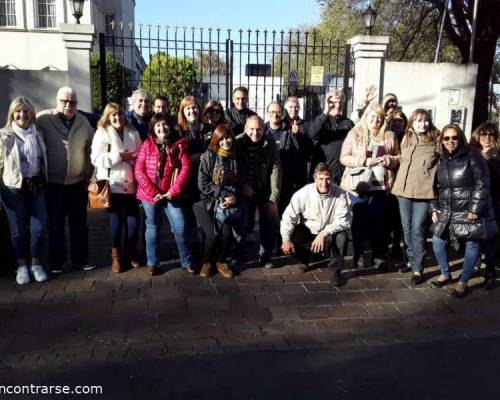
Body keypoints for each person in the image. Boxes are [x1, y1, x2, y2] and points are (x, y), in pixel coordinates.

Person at [430, 124, 495, 298]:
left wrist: (475, 208)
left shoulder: (472, 155)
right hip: (447, 208)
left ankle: (463, 281)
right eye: (447, 138)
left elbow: (483, 183)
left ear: (461, 138)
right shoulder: (441, 159)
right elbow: (436, 187)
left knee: (472, 243)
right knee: (437, 239)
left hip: (468, 208)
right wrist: (434, 207)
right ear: (442, 141)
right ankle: (445, 273)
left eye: (454, 137)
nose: (451, 141)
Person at [36, 87, 94, 274]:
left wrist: (90, 175)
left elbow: (92, 149)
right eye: (64, 101)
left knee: (79, 225)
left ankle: (80, 260)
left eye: (73, 102)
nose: (68, 105)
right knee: (55, 225)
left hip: (77, 184)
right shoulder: (43, 119)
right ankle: (57, 263)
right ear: (57, 101)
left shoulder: (84, 122)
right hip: (53, 184)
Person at [339, 103, 400, 270]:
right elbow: (344, 157)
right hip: (358, 186)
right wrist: (363, 161)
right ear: (366, 117)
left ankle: (378, 256)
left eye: (379, 117)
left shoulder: (389, 135)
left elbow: (399, 157)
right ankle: (358, 255)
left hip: (380, 187)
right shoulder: (355, 133)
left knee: (379, 224)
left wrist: (391, 160)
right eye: (372, 117)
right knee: (358, 222)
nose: (376, 120)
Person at [134, 113, 194, 276]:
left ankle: (187, 260)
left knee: (181, 227)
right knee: (153, 227)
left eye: (165, 124)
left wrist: (172, 191)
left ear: (170, 126)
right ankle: (152, 262)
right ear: (153, 128)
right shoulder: (147, 145)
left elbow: (186, 169)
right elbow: (139, 171)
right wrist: (154, 192)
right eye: (158, 125)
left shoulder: (180, 145)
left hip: (171, 195)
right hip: (150, 196)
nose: (162, 128)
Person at [0, 97, 48, 284]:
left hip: (36, 186)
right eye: (18, 111)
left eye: (26, 111)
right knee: (17, 230)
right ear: (12, 114)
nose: (22, 115)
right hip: (13, 189)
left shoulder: (38, 134)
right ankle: (21, 266)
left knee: (39, 228)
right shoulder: (4, 136)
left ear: (32, 114)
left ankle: (36, 263)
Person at [90, 102, 142, 273]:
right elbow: (96, 159)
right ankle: (116, 256)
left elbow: (140, 156)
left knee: (134, 224)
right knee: (116, 224)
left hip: (132, 185)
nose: (117, 117)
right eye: (113, 115)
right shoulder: (102, 133)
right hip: (112, 185)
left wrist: (132, 159)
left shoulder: (133, 132)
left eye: (119, 114)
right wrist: (119, 156)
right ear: (108, 117)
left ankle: (129, 253)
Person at [281, 163, 350, 286]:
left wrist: (324, 233)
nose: (324, 183)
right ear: (314, 178)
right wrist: (285, 239)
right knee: (291, 236)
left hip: (328, 232)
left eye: (328, 178)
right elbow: (288, 216)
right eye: (321, 179)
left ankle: (335, 271)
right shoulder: (303, 193)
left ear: (332, 178)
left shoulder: (340, 194)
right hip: (308, 229)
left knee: (342, 237)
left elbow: (344, 220)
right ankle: (304, 258)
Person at [391, 109, 439, 284]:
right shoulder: (406, 137)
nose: (422, 124)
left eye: (425, 121)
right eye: (418, 121)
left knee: (418, 229)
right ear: (411, 122)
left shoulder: (436, 140)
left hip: (423, 193)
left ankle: (418, 268)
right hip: (403, 191)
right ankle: (411, 261)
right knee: (406, 229)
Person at [194, 124, 243, 279]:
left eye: (228, 138)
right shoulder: (209, 155)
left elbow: (238, 182)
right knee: (213, 235)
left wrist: (233, 198)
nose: (226, 142)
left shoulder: (234, 156)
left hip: (227, 203)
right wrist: (223, 195)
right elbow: (202, 184)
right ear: (216, 140)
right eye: (222, 139)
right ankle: (207, 262)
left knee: (228, 235)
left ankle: (221, 261)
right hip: (207, 203)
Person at [234, 115, 281, 268]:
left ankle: (265, 256)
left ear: (264, 129)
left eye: (259, 129)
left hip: (263, 186)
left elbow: (276, 168)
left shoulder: (270, 143)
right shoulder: (237, 142)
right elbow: (232, 168)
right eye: (252, 129)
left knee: (269, 219)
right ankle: (239, 255)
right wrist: (243, 185)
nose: (255, 132)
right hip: (243, 187)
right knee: (241, 222)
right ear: (246, 129)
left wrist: (273, 197)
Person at [265, 101, 311, 216]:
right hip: (266, 177)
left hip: (286, 178)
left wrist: (297, 136)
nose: (275, 114)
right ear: (267, 113)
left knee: (284, 211)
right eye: (272, 112)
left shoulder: (289, 130)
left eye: (278, 112)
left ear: (282, 113)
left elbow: (300, 152)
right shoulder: (262, 130)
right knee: (267, 212)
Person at [469, 121, 500, 289]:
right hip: (475, 200)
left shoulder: (497, 154)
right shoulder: (472, 152)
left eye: (491, 134)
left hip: (493, 201)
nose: (487, 137)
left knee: (490, 238)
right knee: (475, 235)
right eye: (484, 134)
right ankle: (474, 264)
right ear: (478, 135)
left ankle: (490, 272)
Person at [308, 89, 354, 184]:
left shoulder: (348, 123)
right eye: (334, 102)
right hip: (323, 174)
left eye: (340, 102)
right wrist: (326, 111)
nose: (338, 105)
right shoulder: (322, 120)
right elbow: (311, 133)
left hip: (342, 175)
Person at [385, 110, 408, 262]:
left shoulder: (409, 138)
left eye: (400, 120)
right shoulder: (386, 136)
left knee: (401, 219)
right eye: (395, 120)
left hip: (404, 182)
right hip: (389, 182)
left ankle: (398, 246)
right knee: (389, 217)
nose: (397, 123)